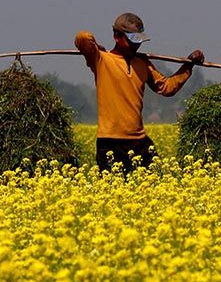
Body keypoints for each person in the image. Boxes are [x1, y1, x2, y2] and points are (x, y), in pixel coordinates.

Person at [75, 12, 204, 172]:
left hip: (139, 141)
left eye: (139, 41)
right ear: (116, 36)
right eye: (132, 41)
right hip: (110, 141)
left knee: (154, 181)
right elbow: (82, 39)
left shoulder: (143, 63)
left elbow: (167, 87)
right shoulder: (101, 60)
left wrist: (188, 65)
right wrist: (96, 49)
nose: (136, 46)